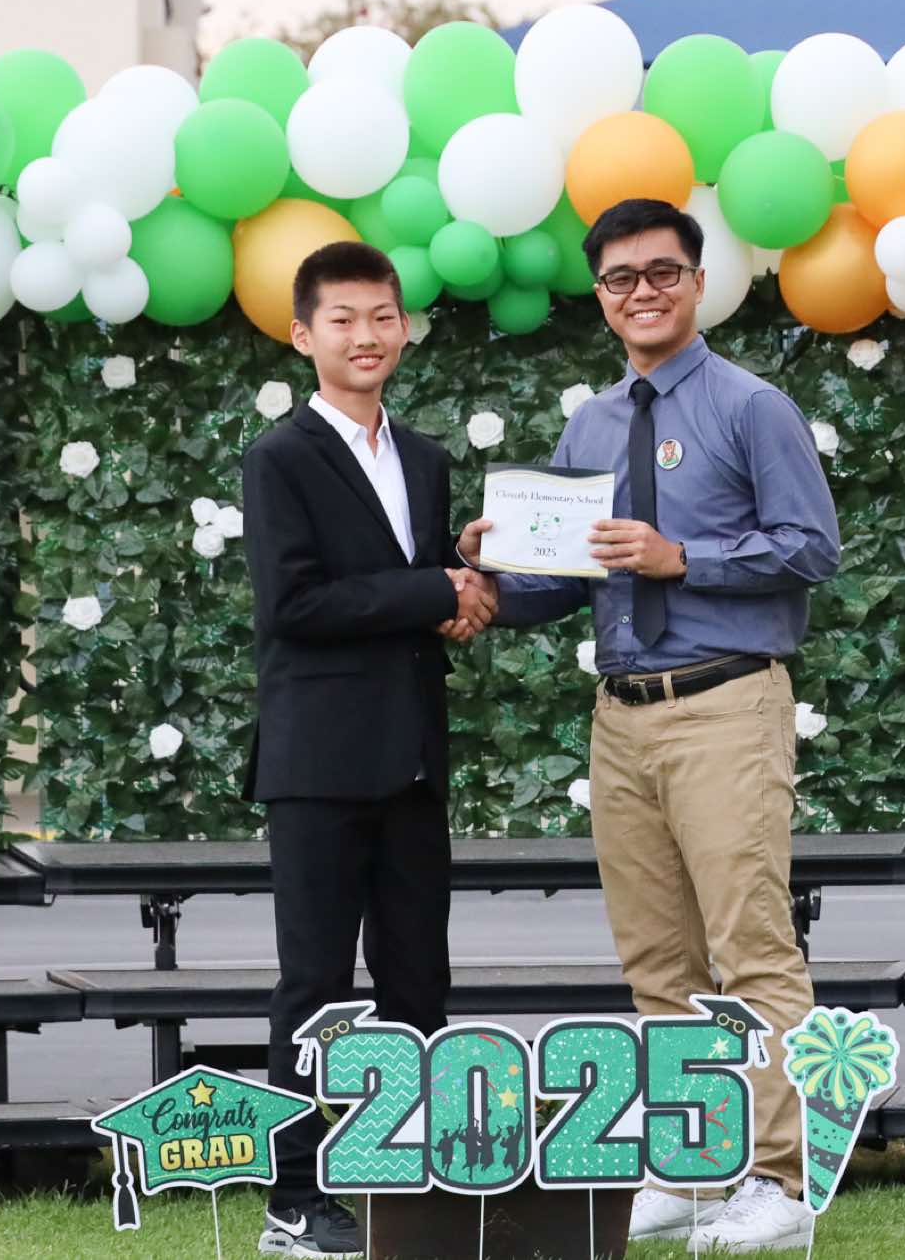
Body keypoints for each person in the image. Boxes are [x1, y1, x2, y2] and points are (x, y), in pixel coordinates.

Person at [462, 198, 841, 1254]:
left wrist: (685, 560)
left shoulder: (751, 406)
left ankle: (782, 1181)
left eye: (662, 272)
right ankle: (692, 1161)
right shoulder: (590, 424)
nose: (643, 292)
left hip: (725, 701)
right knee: (657, 962)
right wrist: (487, 576)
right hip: (621, 715)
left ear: (698, 282)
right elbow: (565, 581)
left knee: (750, 947)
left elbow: (813, 547)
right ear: (600, 296)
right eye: (621, 277)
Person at [244, 241, 498, 1257]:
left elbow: (418, 586)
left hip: (411, 759)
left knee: (418, 981)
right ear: (302, 335)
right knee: (313, 987)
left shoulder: (426, 458)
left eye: (381, 316)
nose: (365, 335)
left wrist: (464, 579)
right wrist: (433, 589)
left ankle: (410, 1180)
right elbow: (294, 603)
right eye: (342, 319)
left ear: (404, 328)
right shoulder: (279, 457)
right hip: (316, 765)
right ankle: (294, 1199)